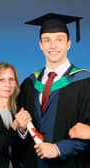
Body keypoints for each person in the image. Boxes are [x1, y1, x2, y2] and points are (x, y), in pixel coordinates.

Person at [16, 13, 90, 168]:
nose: (53, 46)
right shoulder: (29, 84)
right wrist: (21, 130)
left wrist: (58, 149)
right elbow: (20, 133)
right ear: (40, 45)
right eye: (47, 40)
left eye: (59, 39)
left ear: (68, 43)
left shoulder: (85, 82)